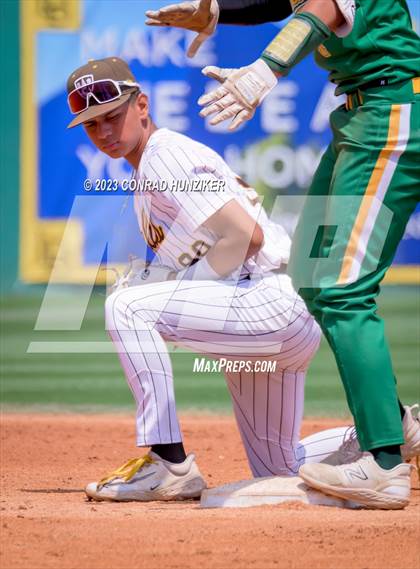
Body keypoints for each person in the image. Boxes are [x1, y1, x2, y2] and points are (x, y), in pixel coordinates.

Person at [145, 0, 420, 509]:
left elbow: (320, 6)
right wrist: (221, 12)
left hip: (394, 111)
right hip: (360, 115)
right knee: (312, 275)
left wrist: (265, 69)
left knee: (342, 289)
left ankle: (385, 465)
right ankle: (398, 423)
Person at [67, 56, 378, 503]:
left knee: (126, 304)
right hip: (274, 312)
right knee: (280, 468)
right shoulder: (152, 165)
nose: (104, 131)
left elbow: (244, 236)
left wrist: (170, 288)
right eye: (92, 125)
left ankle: (167, 462)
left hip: (265, 299)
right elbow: (220, 246)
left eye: (112, 115)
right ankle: (396, 427)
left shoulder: (164, 157)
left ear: (142, 105)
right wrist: (169, 279)